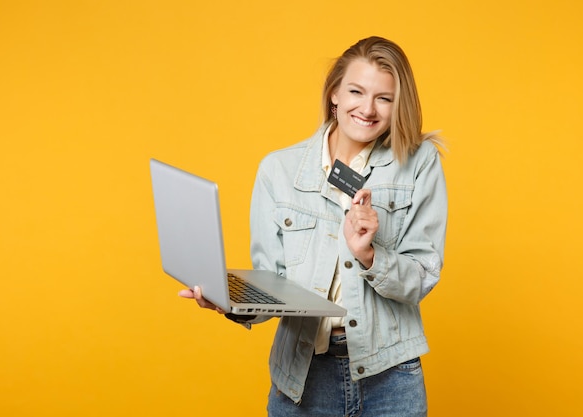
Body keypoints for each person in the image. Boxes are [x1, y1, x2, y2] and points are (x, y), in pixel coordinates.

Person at [180, 36, 447, 417]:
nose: (368, 109)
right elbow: (274, 281)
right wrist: (230, 302)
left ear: (397, 104)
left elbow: (421, 277)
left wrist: (369, 255)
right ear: (335, 93)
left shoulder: (419, 163)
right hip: (303, 376)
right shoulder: (279, 170)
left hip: (390, 377)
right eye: (356, 91)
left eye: (384, 98)